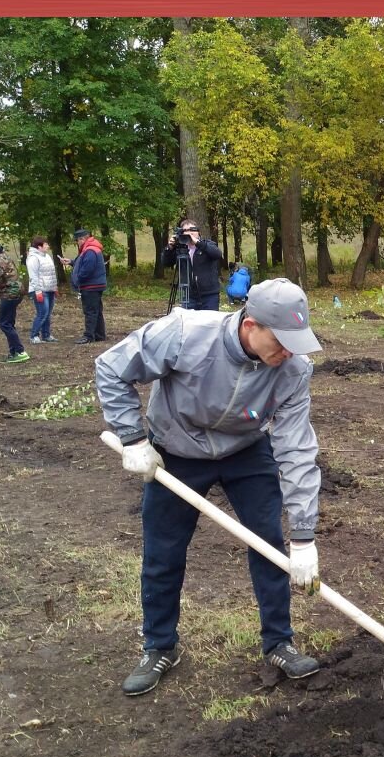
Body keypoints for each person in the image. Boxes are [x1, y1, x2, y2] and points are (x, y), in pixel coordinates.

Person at [95, 277, 325, 696]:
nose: (289, 351)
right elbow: (112, 367)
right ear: (251, 324)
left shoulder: (293, 369)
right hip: (177, 451)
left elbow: (295, 447)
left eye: (297, 341)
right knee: (163, 552)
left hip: (247, 451)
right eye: (282, 340)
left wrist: (305, 535)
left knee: (269, 545)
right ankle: (159, 646)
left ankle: (278, 642)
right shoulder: (184, 333)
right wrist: (132, 438)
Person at [163, 219, 224, 311]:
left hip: (209, 295)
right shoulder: (180, 249)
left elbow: (217, 254)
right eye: (185, 231)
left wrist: (198, 243)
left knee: (210, 323)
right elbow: (166, 263)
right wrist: (169, 247)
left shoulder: (207, 244)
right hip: (189, 295)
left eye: (192, 230)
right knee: (189, 324)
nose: (189, 233)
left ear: (198, 232)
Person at [69, 228, 107, 344]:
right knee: (97, 310)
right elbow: (84, 264)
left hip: (90, 286)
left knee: (90, 311)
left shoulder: (90, 251)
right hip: (96, 284)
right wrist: (71, 262)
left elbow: (87, 269)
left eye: (78, 240)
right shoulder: (93, 249)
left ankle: (89, 336)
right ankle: (99, 334)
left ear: (83, 239)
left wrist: (78, 279)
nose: (77, 243)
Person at [25, 235, 60, 343]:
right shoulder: (33, 258)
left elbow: (51, 273)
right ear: (39, 246)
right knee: (42, 312)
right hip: (39, 290)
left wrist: (54, 287)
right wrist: (38, 291)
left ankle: (46, 335)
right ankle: (34, 335)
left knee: (48, 313)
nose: (48, 246)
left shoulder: (47, 256)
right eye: (46, 244)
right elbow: (33, 276)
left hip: (49, 289)